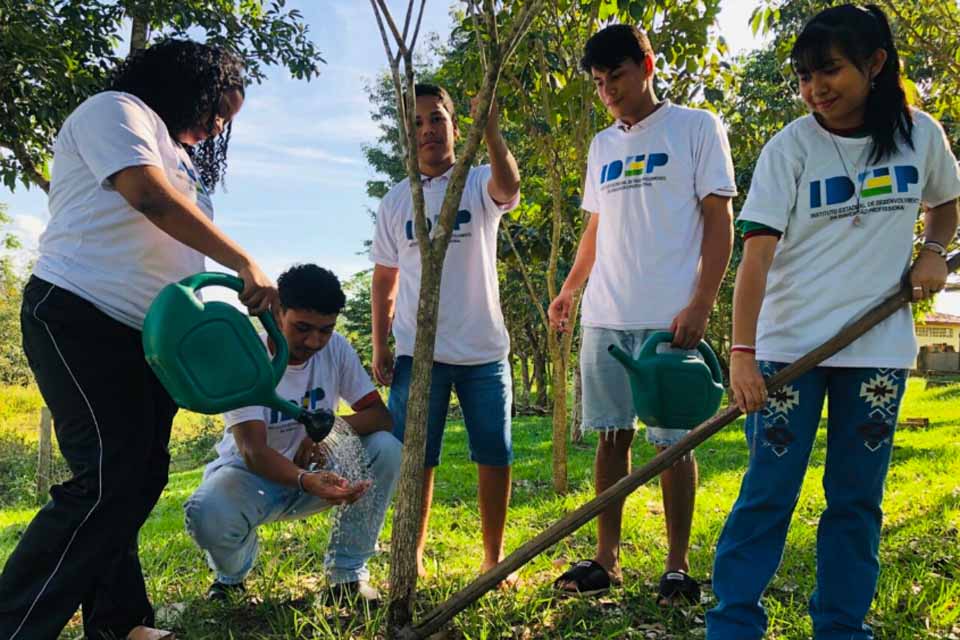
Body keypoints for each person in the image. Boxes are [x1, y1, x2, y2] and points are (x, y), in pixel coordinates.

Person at [0, 40, 276, 640]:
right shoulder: (116, 110)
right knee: (109, 476)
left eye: (226, 119)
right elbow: (148, 197)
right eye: (216, 109)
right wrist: (244, 262)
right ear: (186, 88)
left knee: (139, 477)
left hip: (149, 340)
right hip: (77, 314)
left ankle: (120, 624)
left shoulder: (182, 157)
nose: (217, 125)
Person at [706, 6, 960, 639]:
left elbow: (947, 203)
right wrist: (742, 353)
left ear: (874, 64)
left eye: (829, 71)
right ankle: (733, 625)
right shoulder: (791, 147)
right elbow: (755, 258)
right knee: (768, 492)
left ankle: (843, 628)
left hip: (876, 350)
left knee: (855, 500)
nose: (814, 88)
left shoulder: (920, 136)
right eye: (804, 75)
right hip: (790, 352)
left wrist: (933, 250)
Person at [548, 24, 736, 604]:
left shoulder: (696, 127)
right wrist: (570, 289)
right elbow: (595, 228)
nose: (608, 91)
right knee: (611, 437)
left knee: (673, 443)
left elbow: (719, 220)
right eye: (598, 82)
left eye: (617, 77)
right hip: (606, 316)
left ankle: (677, 566)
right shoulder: (602, 146)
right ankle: (607, 558)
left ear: (647, 66)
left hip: (669, 318)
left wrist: (702, 302)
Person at [370, 83, 521, 580]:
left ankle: (493, 560)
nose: (428, 130)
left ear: (455, 126)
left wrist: (492, 132)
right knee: (415, 458)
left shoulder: (477, 182)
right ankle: (409, 559)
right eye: (416, 123)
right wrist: (381, 343)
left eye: (437, 118)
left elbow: (509, 188)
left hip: (483, 351)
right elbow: (385, 280)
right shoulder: (397, 202)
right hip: (418, 355)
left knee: (494, 453)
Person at [184, 264, 400, 605]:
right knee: (206, 512)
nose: (314, 341)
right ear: (277, 312)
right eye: (302, 328)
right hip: (252, 477)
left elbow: (380, 417)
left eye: (325, 330)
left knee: (386, 449)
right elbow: (254, 451)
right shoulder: (248, 359)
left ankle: (347, 575)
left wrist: (326, 431)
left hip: (319, 471)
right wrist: (304, 480)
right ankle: (232, 577)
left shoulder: (336, 349)